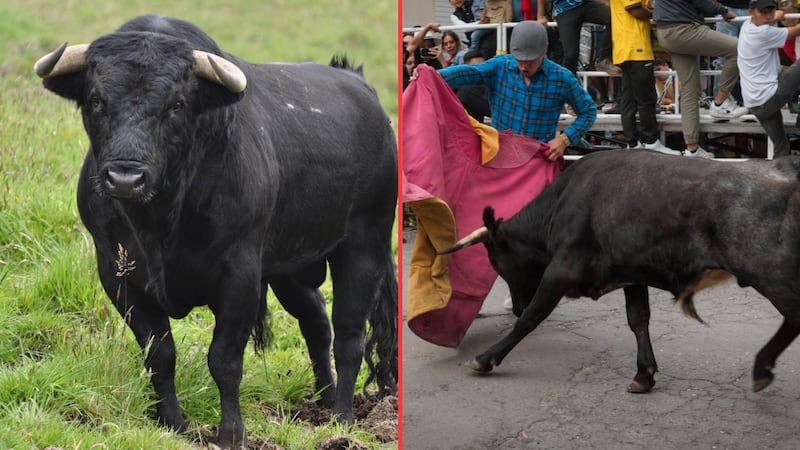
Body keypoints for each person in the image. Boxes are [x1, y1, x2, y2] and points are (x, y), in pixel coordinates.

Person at [437, 20, 597, 162]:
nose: (524, 66)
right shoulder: (501, 66)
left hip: (538, 162)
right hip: (500, 159)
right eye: (520, 59)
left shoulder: (562, 78)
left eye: (531, 61)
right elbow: (469, 72)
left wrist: (564, 140)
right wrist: (433, 75)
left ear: (544, 50)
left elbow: (588, 112)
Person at [654, 0, 749, 158]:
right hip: (684, 29)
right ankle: (720, 103)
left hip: (666, 32)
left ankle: (693, 149)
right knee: (739, 49)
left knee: (689, 89)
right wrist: (723, 11)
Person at [609, 0, 680, 154]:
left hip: (625, 47)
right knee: (646, 99)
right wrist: (662, 13)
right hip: (636, 47)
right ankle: (651, 141)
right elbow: (635, 10)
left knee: (628, 100)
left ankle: (632, 143)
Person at [738, 0, 800, 158]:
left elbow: (768, 19)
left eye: (770, 12)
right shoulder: (763, 33)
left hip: (755, 103)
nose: (767, 16)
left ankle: (778, 181)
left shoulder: (747, 26)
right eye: (763, 12)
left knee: (781, 148)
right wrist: (775, 17)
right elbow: (794, 31)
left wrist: (774, 17)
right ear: (752, 12)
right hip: (769, 97)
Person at [537, 0, 622, 75]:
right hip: (565, 9)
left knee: (615, 17)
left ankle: (603, 59)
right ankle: (568, 88)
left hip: (586, 4)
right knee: (571, 56)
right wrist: (540, 16)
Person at [455, 50, 493, 122]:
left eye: (483, 67)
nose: (480, 72)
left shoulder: (466, 85)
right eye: (475, 68)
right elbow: (492, 110)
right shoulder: (469, 90)